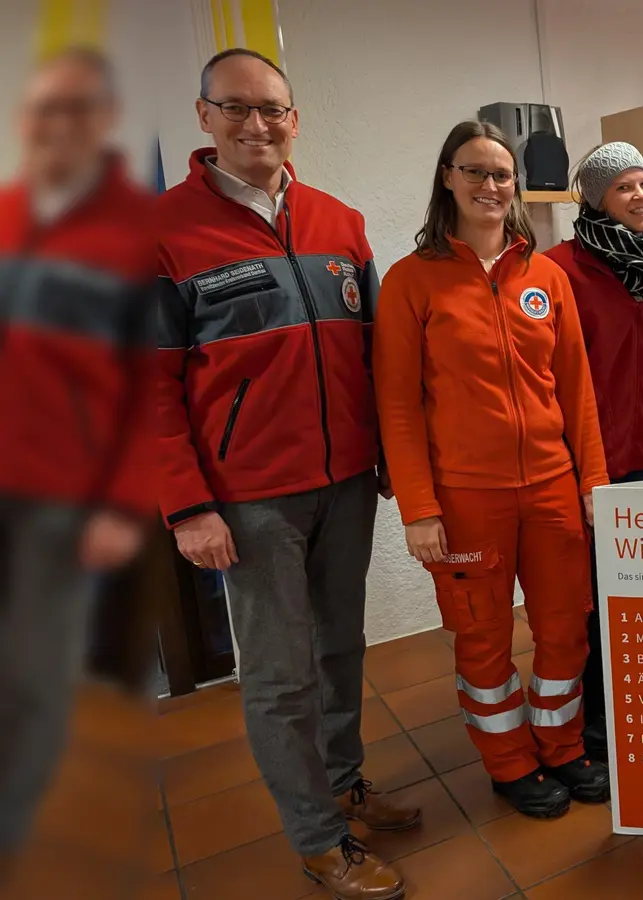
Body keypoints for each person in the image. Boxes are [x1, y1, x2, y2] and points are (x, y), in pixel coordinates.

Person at [153, 49, 417, 900]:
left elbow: (377, 354)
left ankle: (343, 785)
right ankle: (316, 837)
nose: (257, 124)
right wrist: (189, 507)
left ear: (295, 119)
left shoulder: (339, 222)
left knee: (341, 646)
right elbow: (146, 389)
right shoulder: (160, 234)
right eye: (236, 108)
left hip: (346, 481)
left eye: (272, 109)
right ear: (205, 117)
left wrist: (385, 457)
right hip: (249, 499)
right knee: (279, 675)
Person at [375, 121, 611, 821]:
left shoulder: (546, 278)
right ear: (447, 177)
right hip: (465, 496)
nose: (490, 186)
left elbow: (577, 390)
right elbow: (397, 405)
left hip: (550, 488)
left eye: (501, 174)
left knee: (566, 627)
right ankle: (509, 763)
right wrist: (419, 509)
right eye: (474, 171)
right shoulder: (410, 282)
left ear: (517, 187)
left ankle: (561, 746)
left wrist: (592, 483)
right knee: (482, 637)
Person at [0, 46, 154, 859]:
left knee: (32, 673)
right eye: (44, 110)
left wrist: (124, 500)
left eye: (76, 111)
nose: (57, 126)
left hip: (62, 499)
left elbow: (148, 383)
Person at [545, 142, 643, 760]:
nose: (642, 197)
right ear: (597, 198)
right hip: (591, 462)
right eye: (625, 187)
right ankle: (600, 722)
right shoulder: (560, 270)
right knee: (598, 600)